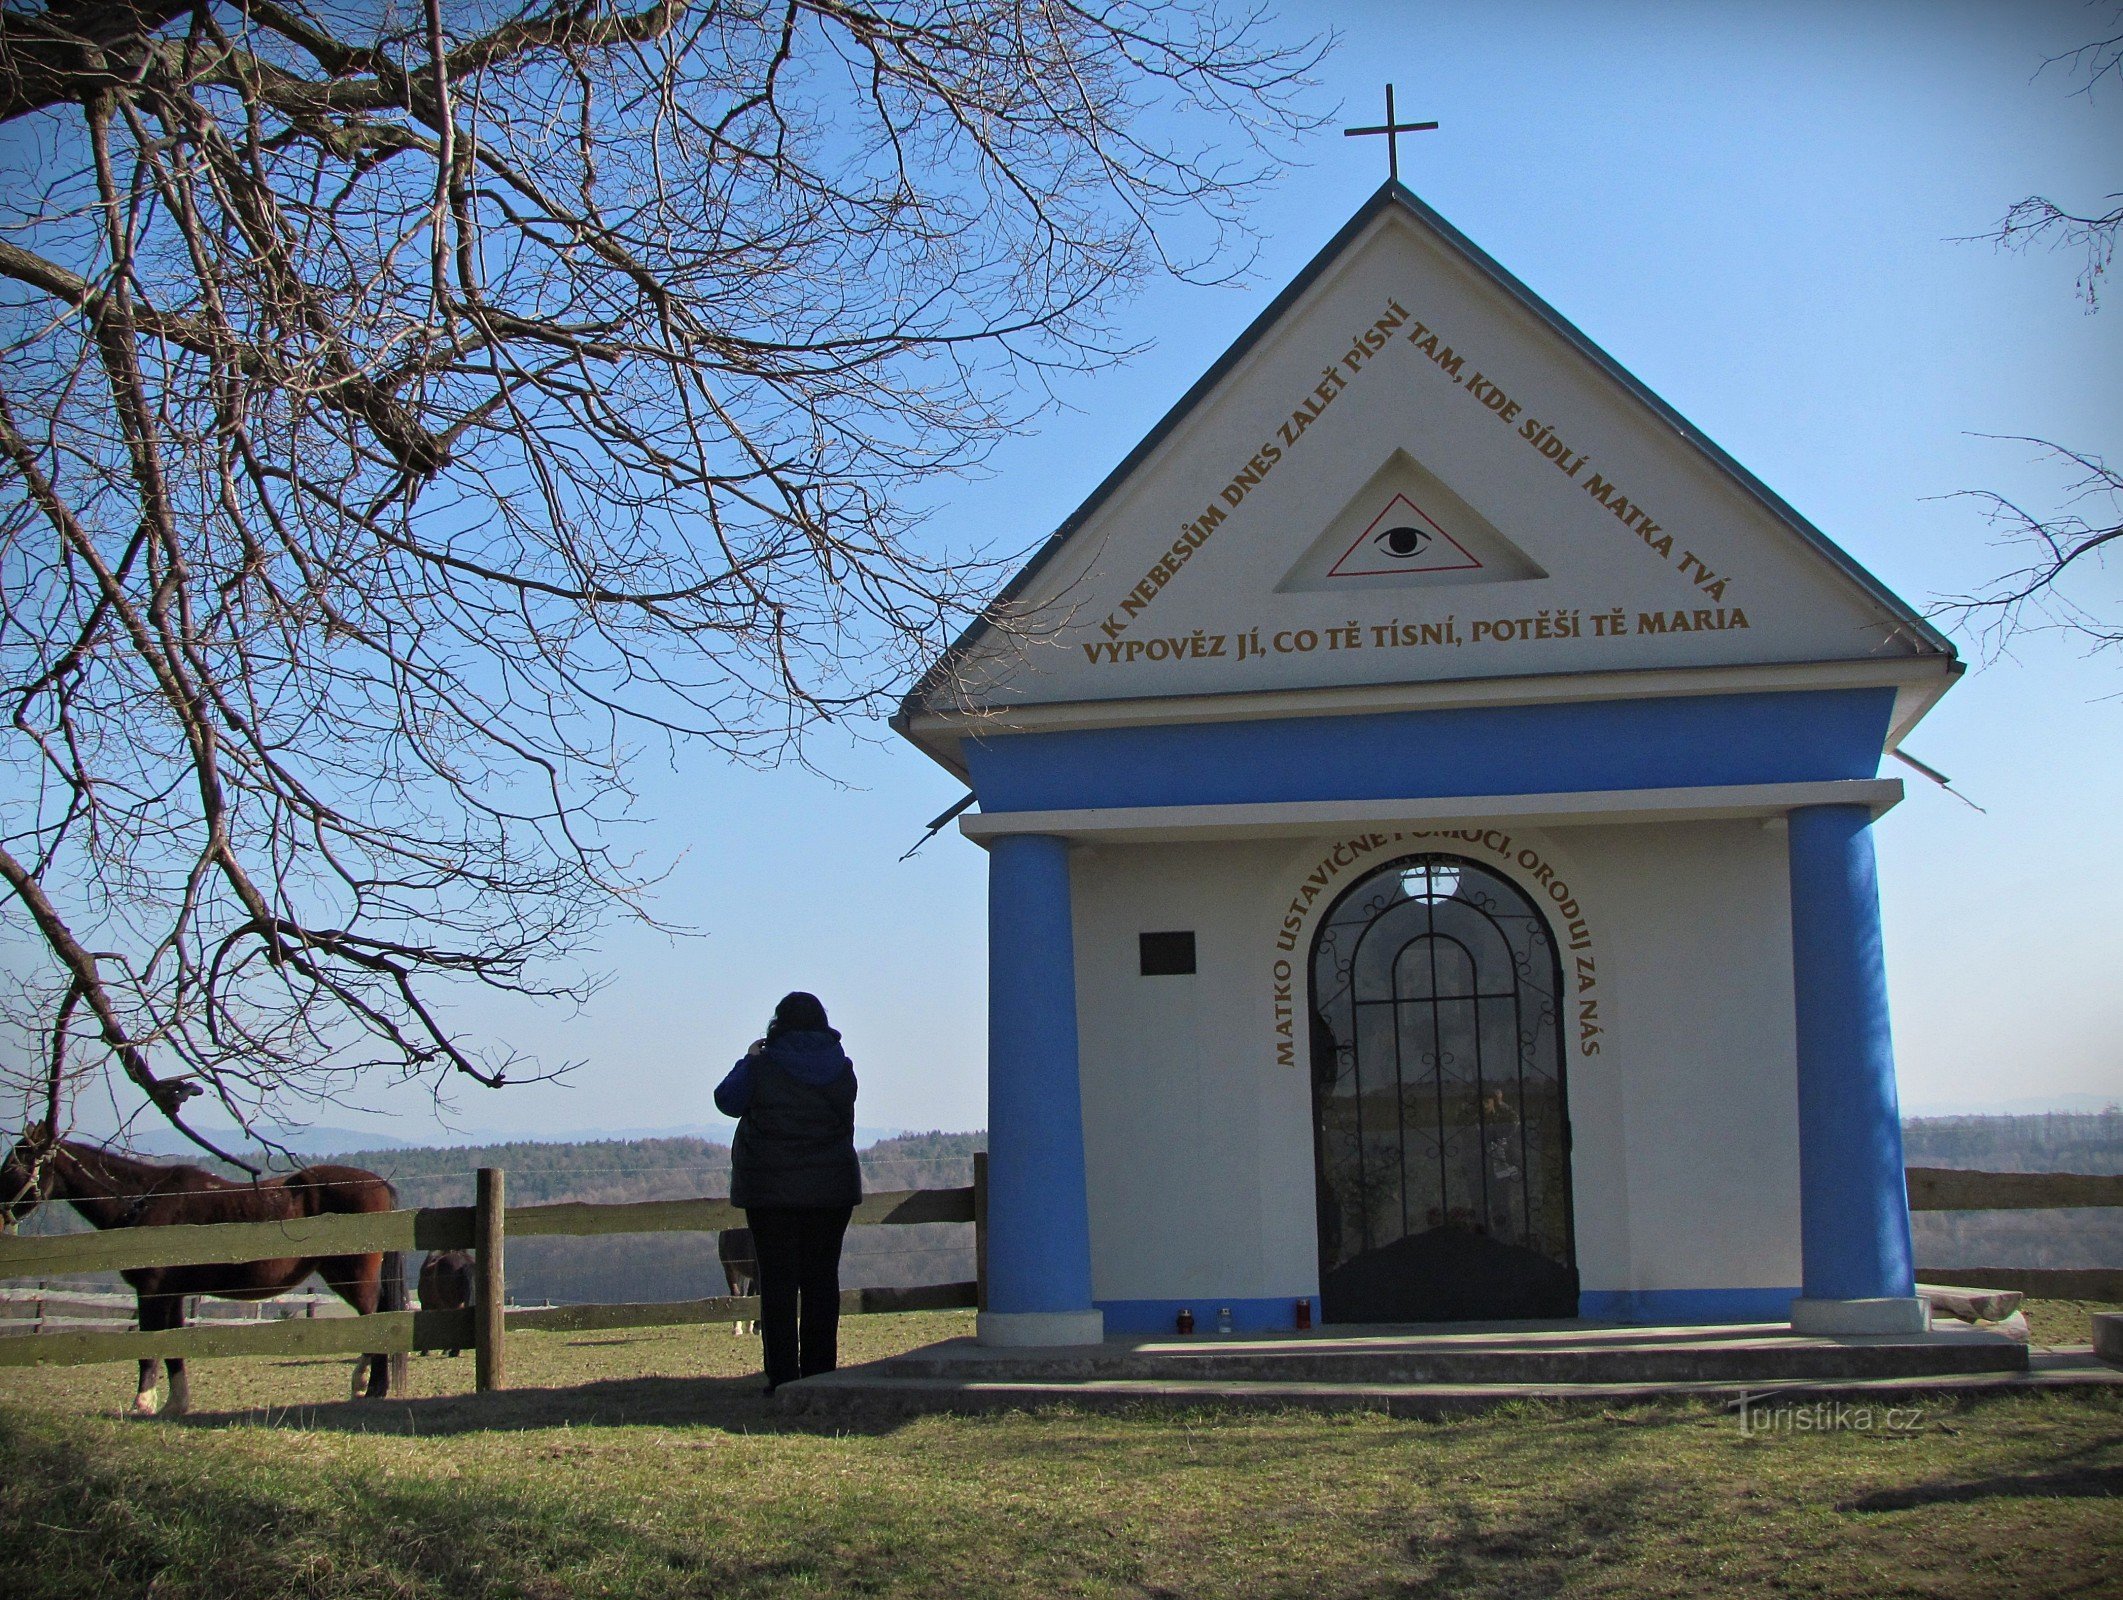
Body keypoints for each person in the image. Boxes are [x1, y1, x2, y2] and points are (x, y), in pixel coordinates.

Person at [714, 991, 861, 1392]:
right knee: (821, 1283)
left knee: (777, 1285)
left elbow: (726, 1100)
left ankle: (781, 1378)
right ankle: (820, 1374)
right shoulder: (841, 1069)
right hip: (831, 1190)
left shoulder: (763, 1067)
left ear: (778, 1024)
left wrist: (749, 1058)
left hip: (771, 1191)